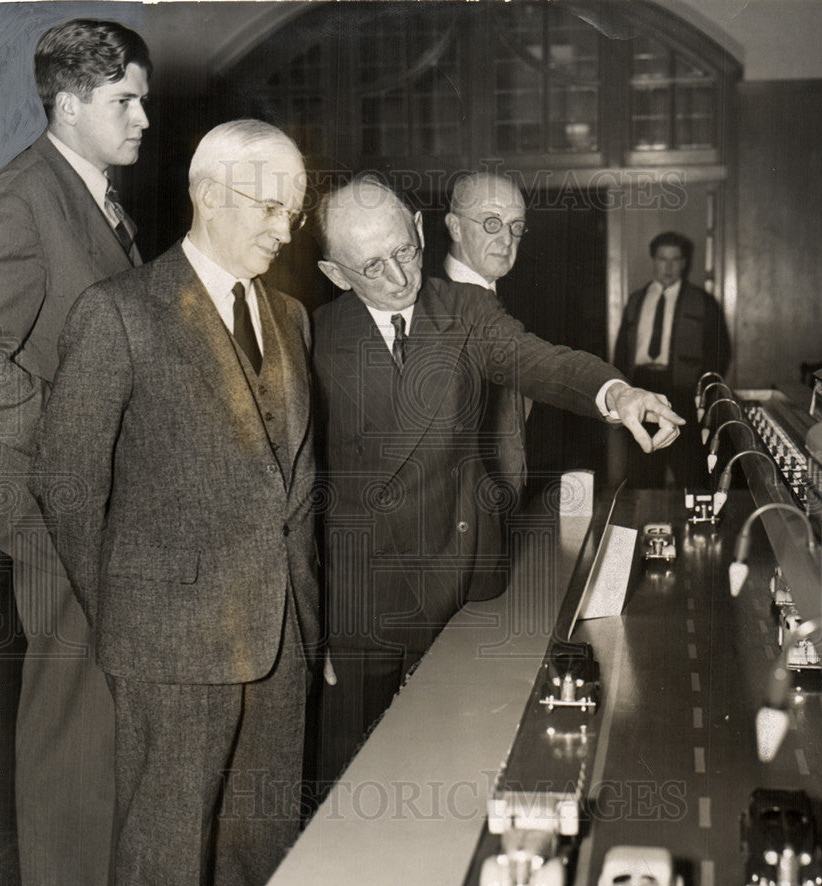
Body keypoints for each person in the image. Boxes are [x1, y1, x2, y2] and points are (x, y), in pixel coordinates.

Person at [33, 120, 320, 886]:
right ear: (207, 193)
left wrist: (309, 623)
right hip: (168, 644)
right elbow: (67, 483)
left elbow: (297, 492)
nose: (282, 226)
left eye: (294, 212)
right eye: (270, 205)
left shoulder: (292, 316)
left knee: (261, 862)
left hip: (281, 640)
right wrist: (126, 613)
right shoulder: (119, 313)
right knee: (162, 879)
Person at [311, 177, 683, 781]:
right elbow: (302, 492)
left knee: (463, 761)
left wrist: (617, 392)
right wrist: (314, 617)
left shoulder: (465, 310)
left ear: (422, 232)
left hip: (460, 582)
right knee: (361, 782)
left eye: (405, 251)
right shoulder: (315, 336)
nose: (400, 277)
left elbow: (543, 362)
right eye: (373, 266)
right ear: (335, 273)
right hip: (362, 604)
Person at [0, 19, 150, 886]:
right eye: (124, 101)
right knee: (64, 724)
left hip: (103, 504)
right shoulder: (21, 201)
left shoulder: (93, 198)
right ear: (68, 103)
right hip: (55, 505)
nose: (144, 117)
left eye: (141, 97)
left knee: (98, 722)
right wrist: (65, 439)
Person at [443, 170, 531, 526]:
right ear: (455, 227)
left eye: (516, 226)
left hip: (506, 512)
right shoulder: (429, 308)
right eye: (491, 222)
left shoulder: (509, 304)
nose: (507, 238)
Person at [614, 230, 731, 486]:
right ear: (653, 260)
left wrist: (699, 392)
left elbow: (719, 353)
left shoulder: (703, 302)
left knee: (691, 473)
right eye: (661, 259)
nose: (668, 266)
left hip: (683, 393)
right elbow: (621, 352)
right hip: (642, 387)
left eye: (675, 259)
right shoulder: (636, 300)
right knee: (642, 472)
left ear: (685, 262)